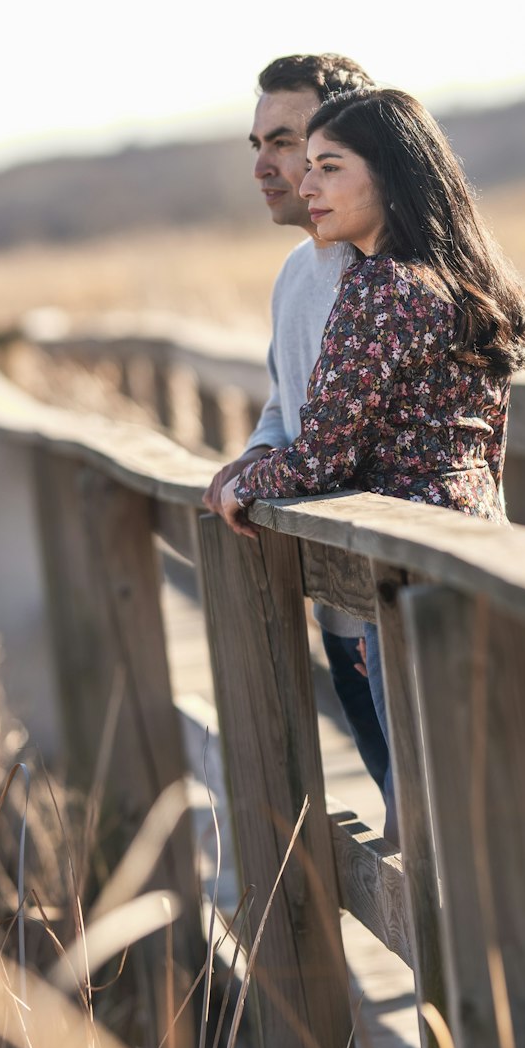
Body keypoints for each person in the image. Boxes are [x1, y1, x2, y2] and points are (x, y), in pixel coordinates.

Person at [218, 88, 525, 841]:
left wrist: (242, 482)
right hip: (478, 545)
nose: (306, 185)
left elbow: (322, 454)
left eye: (329, 167)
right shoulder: (467, 281)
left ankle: (451, 958)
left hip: (404, 570)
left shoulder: (379, 290)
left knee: (422, 816)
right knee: (475, 795)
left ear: (388, 175)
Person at [202, 54, 391, 802]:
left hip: (402, 597)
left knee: (434, 834)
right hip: (339, 608)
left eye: (287, 142)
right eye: (260, 146)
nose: (268, 166)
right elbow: (288, 404)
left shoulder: (389, 272)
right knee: (401, 828)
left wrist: (261, 479)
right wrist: (251, 458)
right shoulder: (295, 274)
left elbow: (339, 440)